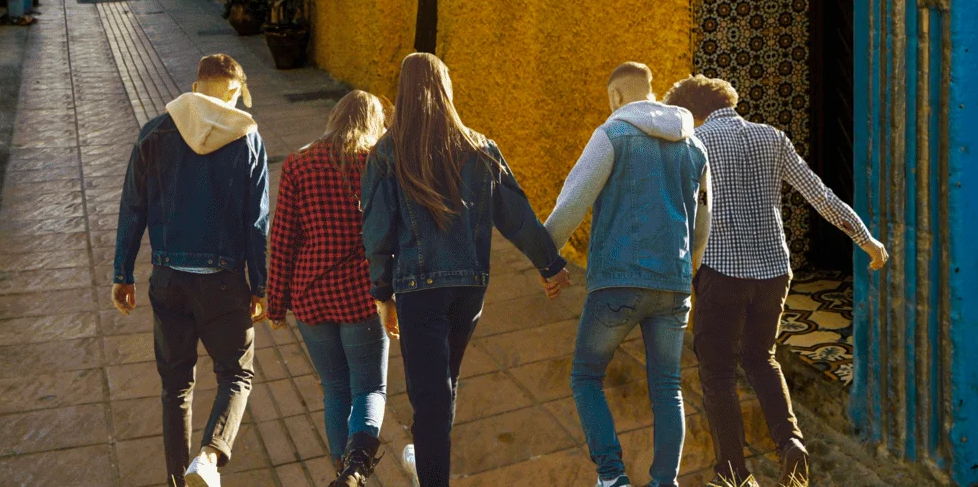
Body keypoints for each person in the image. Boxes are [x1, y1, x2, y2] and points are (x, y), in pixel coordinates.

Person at [665, 74, 889, 487]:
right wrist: (867, 239)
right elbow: (821, 196)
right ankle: (791, 445)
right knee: (761, 358)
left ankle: (733, 474)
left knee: (717, 373)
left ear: (691, 112)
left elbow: (678, 218)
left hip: (722, 273)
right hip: (774, 274)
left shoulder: (694, 146)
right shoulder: (772, 138)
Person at [361, 53, 569, 487]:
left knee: (430, 395)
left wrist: (382, 293)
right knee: (444, 382)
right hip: (469, 287)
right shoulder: (479, 146)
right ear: (446, 89)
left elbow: (377, 230)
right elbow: (515, 214)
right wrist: (549, 264)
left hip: (418, 288)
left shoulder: (388, 151)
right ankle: (428, 462)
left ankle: (431, 470)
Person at [544, 62, 712, 487]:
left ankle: (612, 476)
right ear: (652, 92)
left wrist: (544, 258)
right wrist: (687, 268)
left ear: (617, 97)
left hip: (617, 282)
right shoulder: (695, 146)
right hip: (674, 285)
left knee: (585, 376)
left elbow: (572, 203)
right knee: (667, 387)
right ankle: (663, 482)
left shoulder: (611, 135)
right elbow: (704, 219)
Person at [112, 54, 270, 487]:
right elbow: (256, 221)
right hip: (222, 282)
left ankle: (178, 482)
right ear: (234, 92)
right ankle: (209, 455)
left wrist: (121, 273)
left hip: (167, 280)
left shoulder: (155, 131)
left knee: (176, 387)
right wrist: (260, 283)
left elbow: (133, 208)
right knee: (236, 374)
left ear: (197, 87)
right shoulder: (246, 137)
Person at [266, 90, 391, 487]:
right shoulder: (379, 164)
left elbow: (283, 238)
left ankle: (342, 472)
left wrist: (276, 305)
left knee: (335, 389)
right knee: (368, 386)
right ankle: (357, 469)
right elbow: (393, 234)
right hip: (362, 297)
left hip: (311, 296)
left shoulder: (299, 164)